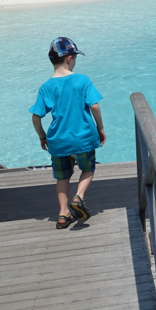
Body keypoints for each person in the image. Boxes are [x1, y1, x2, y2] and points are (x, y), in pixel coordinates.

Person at [30, 37, 106, 229]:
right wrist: (100, 128)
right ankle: (78, 197)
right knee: (88, 169)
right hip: (83, 138)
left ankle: (63, 214)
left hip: (58, 141)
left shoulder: (46, 86)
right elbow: (95, 106)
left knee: (62, 177)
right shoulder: (82, 80)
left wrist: (42, 136)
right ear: (70, 58)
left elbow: (36, 117)